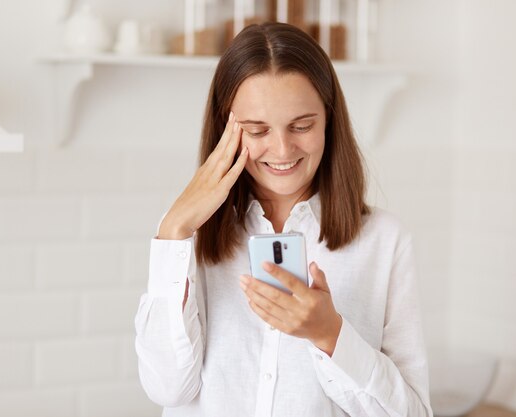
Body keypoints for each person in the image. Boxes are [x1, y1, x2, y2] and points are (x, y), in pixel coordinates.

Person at [134, 22, 433, 417]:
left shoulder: (384, 240)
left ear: (329, 119)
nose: (281, 149)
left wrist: (331, 336)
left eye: (301, 126)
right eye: (257, 130)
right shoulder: (187, 236)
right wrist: (173, 234)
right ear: (227, 128)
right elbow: (166, 389)